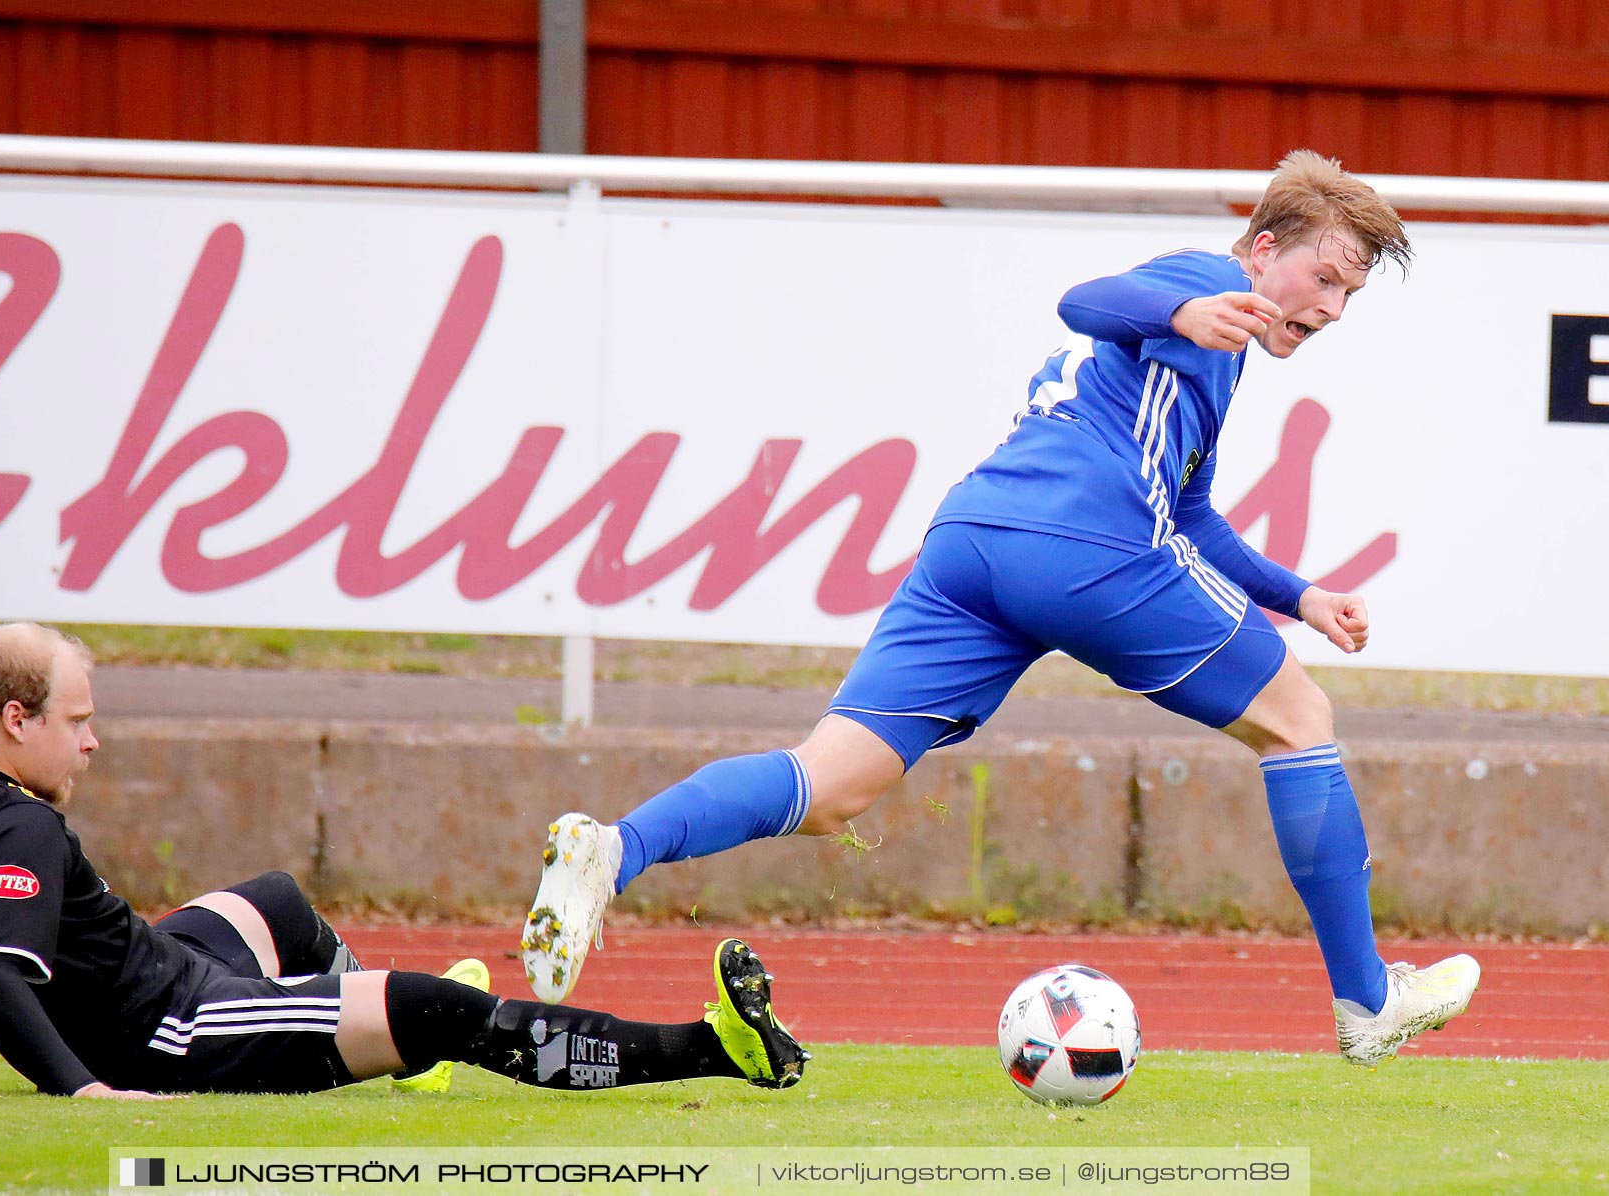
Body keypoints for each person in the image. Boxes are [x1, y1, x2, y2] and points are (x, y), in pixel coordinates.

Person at [523, 150, 1480, 1068]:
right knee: (1300, 718)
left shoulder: (1215, 351)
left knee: (833, 785)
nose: (1334, 307)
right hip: (1087, 547)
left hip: (975, 546)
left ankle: (614, 850)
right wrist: (1187, 306)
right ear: (1265, 248)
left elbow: (1188, 509)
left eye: (1350, 296)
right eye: (1326, 277)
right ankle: (1366, 1002)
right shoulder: (1200, 282)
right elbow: (1084, 301)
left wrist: (1300, 595)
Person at [0, 622, 807, 1097]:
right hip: (174, 1027)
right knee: (442, 1010)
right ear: (13, 718)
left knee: (277, 899)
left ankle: (379, 1037)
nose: (92, 742)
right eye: (78, 720)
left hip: (153, 966)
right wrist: (85, 1090)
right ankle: (718, 1045)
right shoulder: (21, 826)